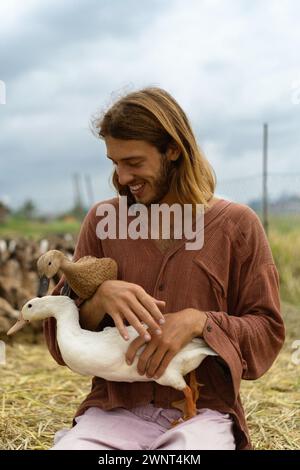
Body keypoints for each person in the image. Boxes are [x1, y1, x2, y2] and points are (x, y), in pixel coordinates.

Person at [44, 87, 285, 450]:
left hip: (202, 414)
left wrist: (201, 322)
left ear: (173, 149)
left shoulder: (237, 225)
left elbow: (267, 333)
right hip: (114, 412)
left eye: (134, 163)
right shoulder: (101, 222)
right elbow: (57, 341)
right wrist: (98, 298)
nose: (122, 177)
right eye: (115, 163)